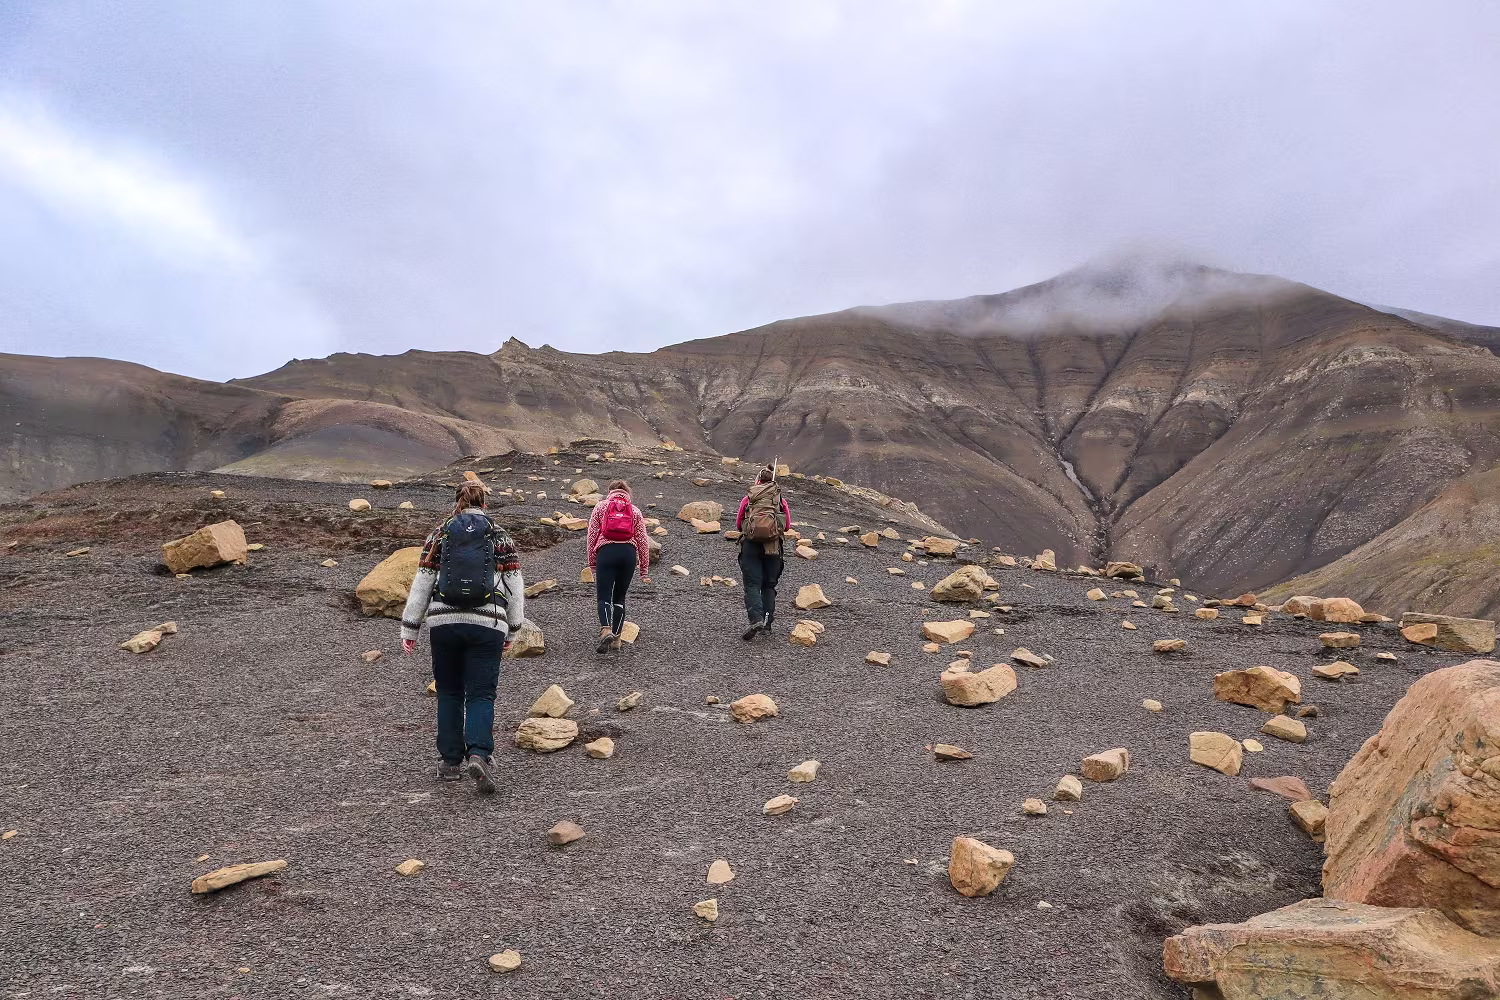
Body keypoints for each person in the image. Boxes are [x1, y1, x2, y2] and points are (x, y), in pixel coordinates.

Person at [399, 481, 526, 794]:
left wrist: (410, 627)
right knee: (481, 693)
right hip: (488, 626)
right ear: (484, 504)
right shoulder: (500, 535)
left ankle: (450, 762)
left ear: (456, 502)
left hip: (444, 624)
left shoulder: (439, 533)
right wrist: (514, 627)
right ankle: (480, 755)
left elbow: (422, 582)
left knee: (449, 692)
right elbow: (515, 585)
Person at [587, 479, 651, 653]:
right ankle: (616, 639)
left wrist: (592, 563)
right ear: (627, 493)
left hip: (606, 552)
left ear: (610, 492)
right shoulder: (635, 511)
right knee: (620, 597)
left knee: (604, 596)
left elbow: (592, 535)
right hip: (628, 554)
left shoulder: (601, 507)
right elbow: (643, 542)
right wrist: (644, 569)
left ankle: (606, 629)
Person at [735, 464, 791, 640]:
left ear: (757, 481)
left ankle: (756, 619)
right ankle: (767, 624)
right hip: (773, 548)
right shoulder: (780, 500)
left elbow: (738, 524)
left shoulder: (749, 499)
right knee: (768, 586)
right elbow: (787, 526)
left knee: (752, 585)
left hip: (751, 546)